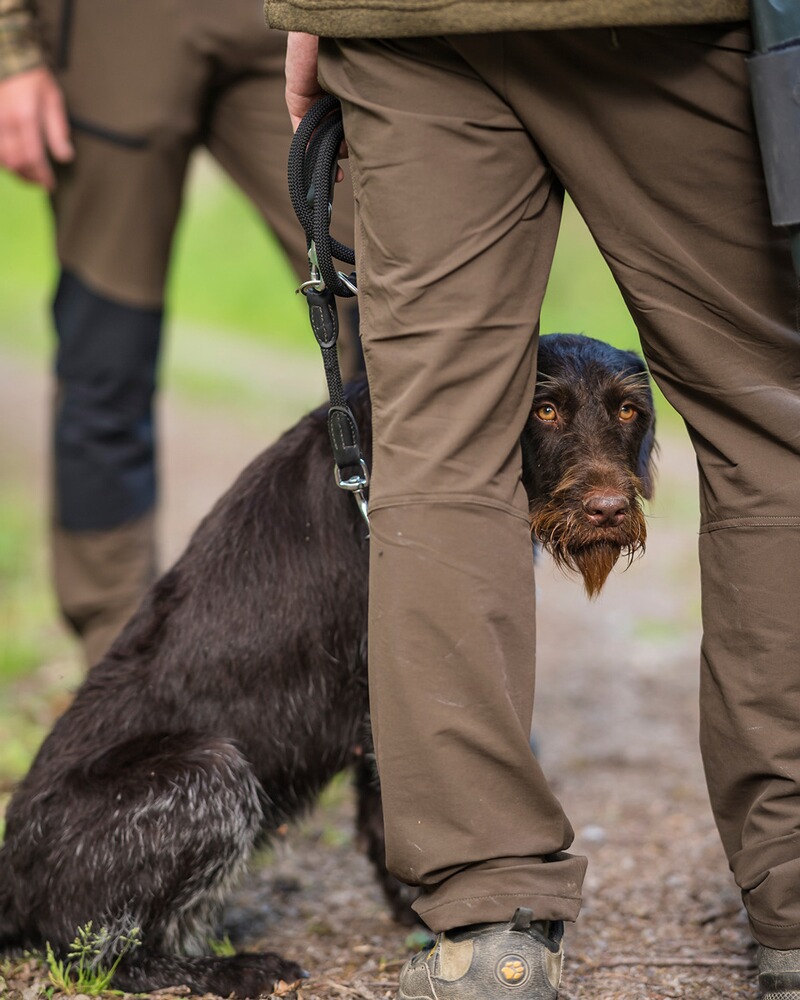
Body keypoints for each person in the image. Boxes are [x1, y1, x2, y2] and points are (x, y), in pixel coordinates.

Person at [266, 4, 800, 999]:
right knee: (769, 420)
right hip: (674, 17)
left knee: (436, 447)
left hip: (402, 16)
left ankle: (487, 922)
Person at [0, 0, 360, 668]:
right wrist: (9, 52)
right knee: (106, 353)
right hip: (111, 31)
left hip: (285, 19)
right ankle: (120, 676)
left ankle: (416, 676)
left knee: (387, 327)